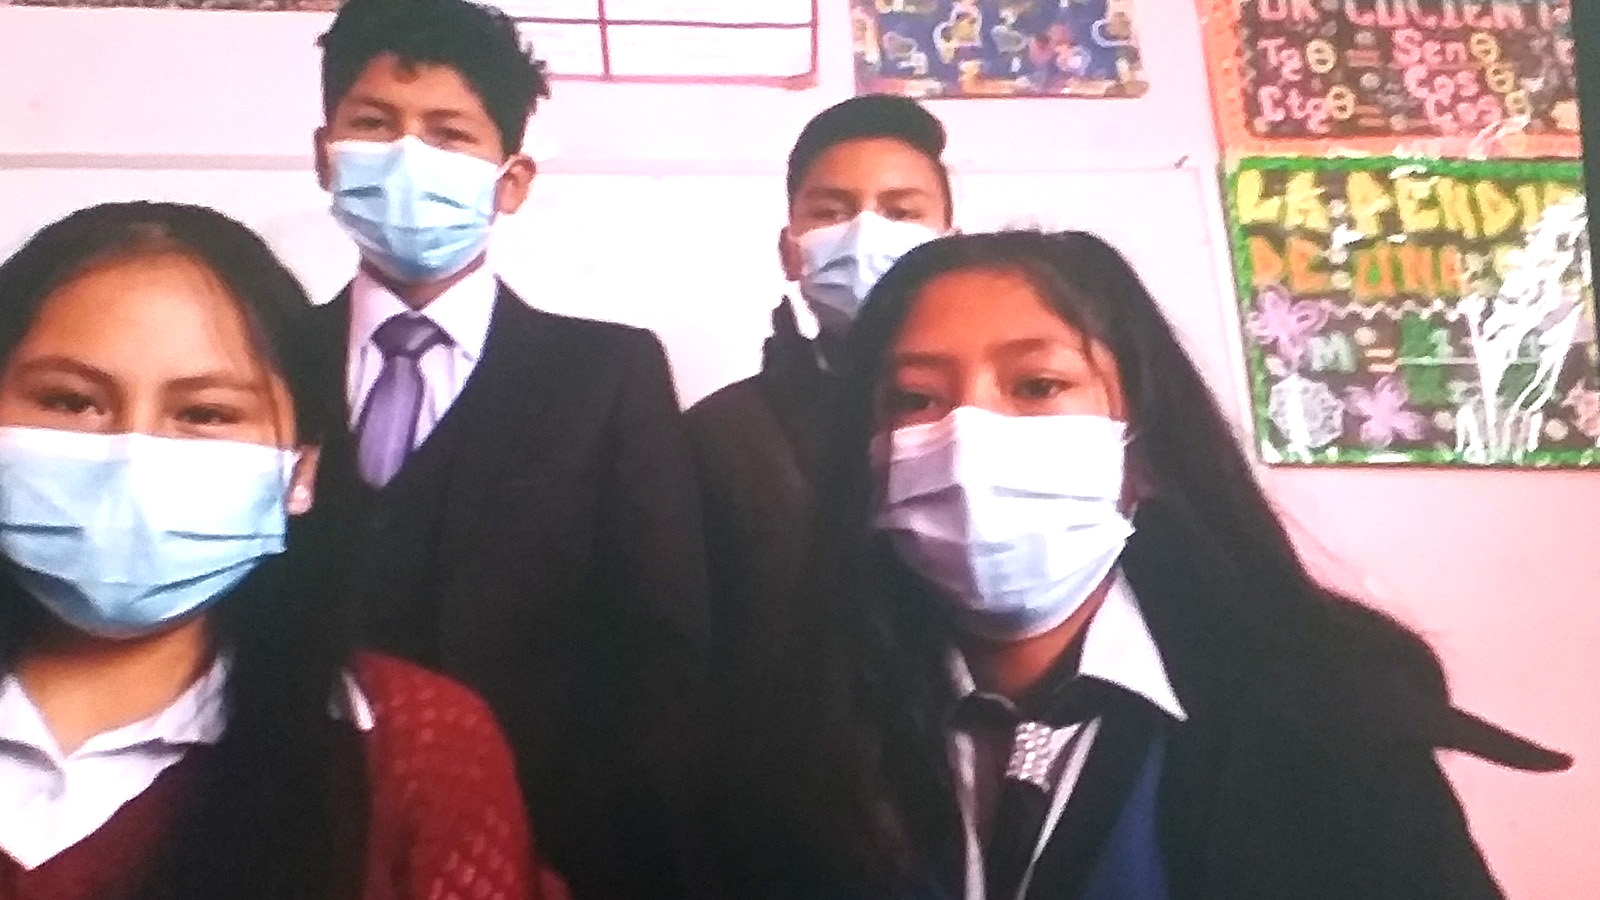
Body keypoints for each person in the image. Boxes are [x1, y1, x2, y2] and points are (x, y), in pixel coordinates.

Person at [726, 230, 1570, 899]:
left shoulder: (1329, 719)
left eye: (1037, 386)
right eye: (915, 399)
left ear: (1143, 450)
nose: (967, 437)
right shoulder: (796, 732)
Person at [0, 201, 556, 900]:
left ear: (302, 470)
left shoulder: (414, 744)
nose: (131, 459)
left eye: (205, 413)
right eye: (70, 401)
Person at [307, 1, 709, 897]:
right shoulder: (261, 364)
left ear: (512, 179)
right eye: (374, 124)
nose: (408, 156)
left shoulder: (608, 374)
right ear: (325, 154)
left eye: (450, 134)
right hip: (292, 837)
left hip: (544, 846)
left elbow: (661, 652)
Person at [686, 94, 952, 670]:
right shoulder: (718, 437)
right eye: (831, 213)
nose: (864, 235)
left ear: (953, 248)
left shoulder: (1026, 416)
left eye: (901, 213)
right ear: (790, 253)